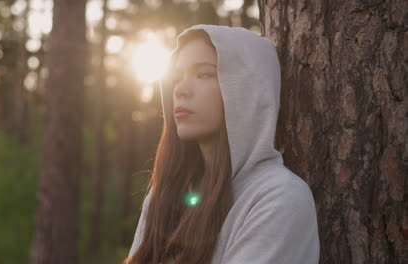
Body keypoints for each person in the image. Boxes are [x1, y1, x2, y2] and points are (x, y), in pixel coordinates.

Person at [124, 24, 320, 264]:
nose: (181, 90)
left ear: (248, 89)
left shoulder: (279, 198)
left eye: (204, 74)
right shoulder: (164, 195)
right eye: (177, 77)